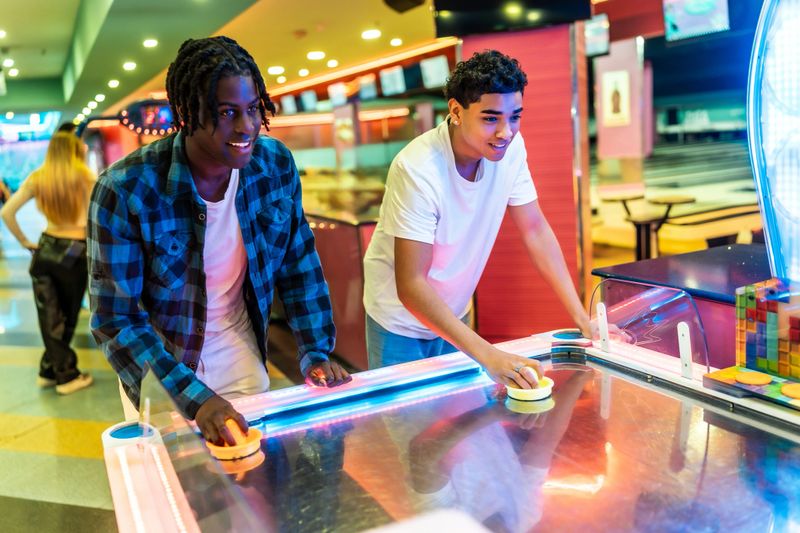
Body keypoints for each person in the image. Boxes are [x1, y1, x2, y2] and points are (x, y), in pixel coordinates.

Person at [87, 36, 350, 445]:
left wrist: (316, 350)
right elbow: (115, 319)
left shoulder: (273, 164)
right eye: (227, 113)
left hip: (240, 348)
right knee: (183, 494)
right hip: (162, 364)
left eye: (252, 109)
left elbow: (300, 263)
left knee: (255, 479)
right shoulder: (127, 189)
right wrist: (196, 400)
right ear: (185, 113)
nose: (246, 127)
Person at [363, 50, 591, 389]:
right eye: (490, 118)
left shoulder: (511, 148)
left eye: (515, 117)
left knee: (463, 429)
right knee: (406, 437)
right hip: (400, 324)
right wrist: (487, 354)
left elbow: (535, 229)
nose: (506, 132)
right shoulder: (417, 169)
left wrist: (583, 319)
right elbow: (411, 286)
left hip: (454, 312)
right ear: (456, 111)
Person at [0, 132, 95, 394]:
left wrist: (25, 242)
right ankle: (67, 376)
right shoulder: (85, 176)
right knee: (67, 316)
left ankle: (48, 370)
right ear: (75, 149)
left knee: (49, 315)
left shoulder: (38, 177)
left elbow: (7, 212)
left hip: (45, 248)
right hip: (75, 251)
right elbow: (93, 219)